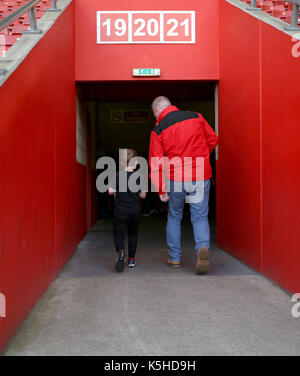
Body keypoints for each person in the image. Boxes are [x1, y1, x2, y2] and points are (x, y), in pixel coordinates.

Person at [149, 96, 218, 274]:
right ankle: (202, 249)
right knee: (199, 216)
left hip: (176, 178)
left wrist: (161, 189)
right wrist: (201, 155)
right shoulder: (196, 116)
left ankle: (175, 258)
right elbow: (213, 140)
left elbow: (156, 162)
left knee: (174, 216)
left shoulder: (158, 129)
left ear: (157, 111)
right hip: (200, 174)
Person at [108, 149, 147, 272]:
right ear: (135, 163)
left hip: (120, 210)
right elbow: (143, 195)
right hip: (134, 210)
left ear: (122, 162)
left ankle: (120, 251)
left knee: (119, 234)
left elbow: (110, 191)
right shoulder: (140, 176)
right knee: (133, 234)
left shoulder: (117, 175)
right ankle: (131, 259)